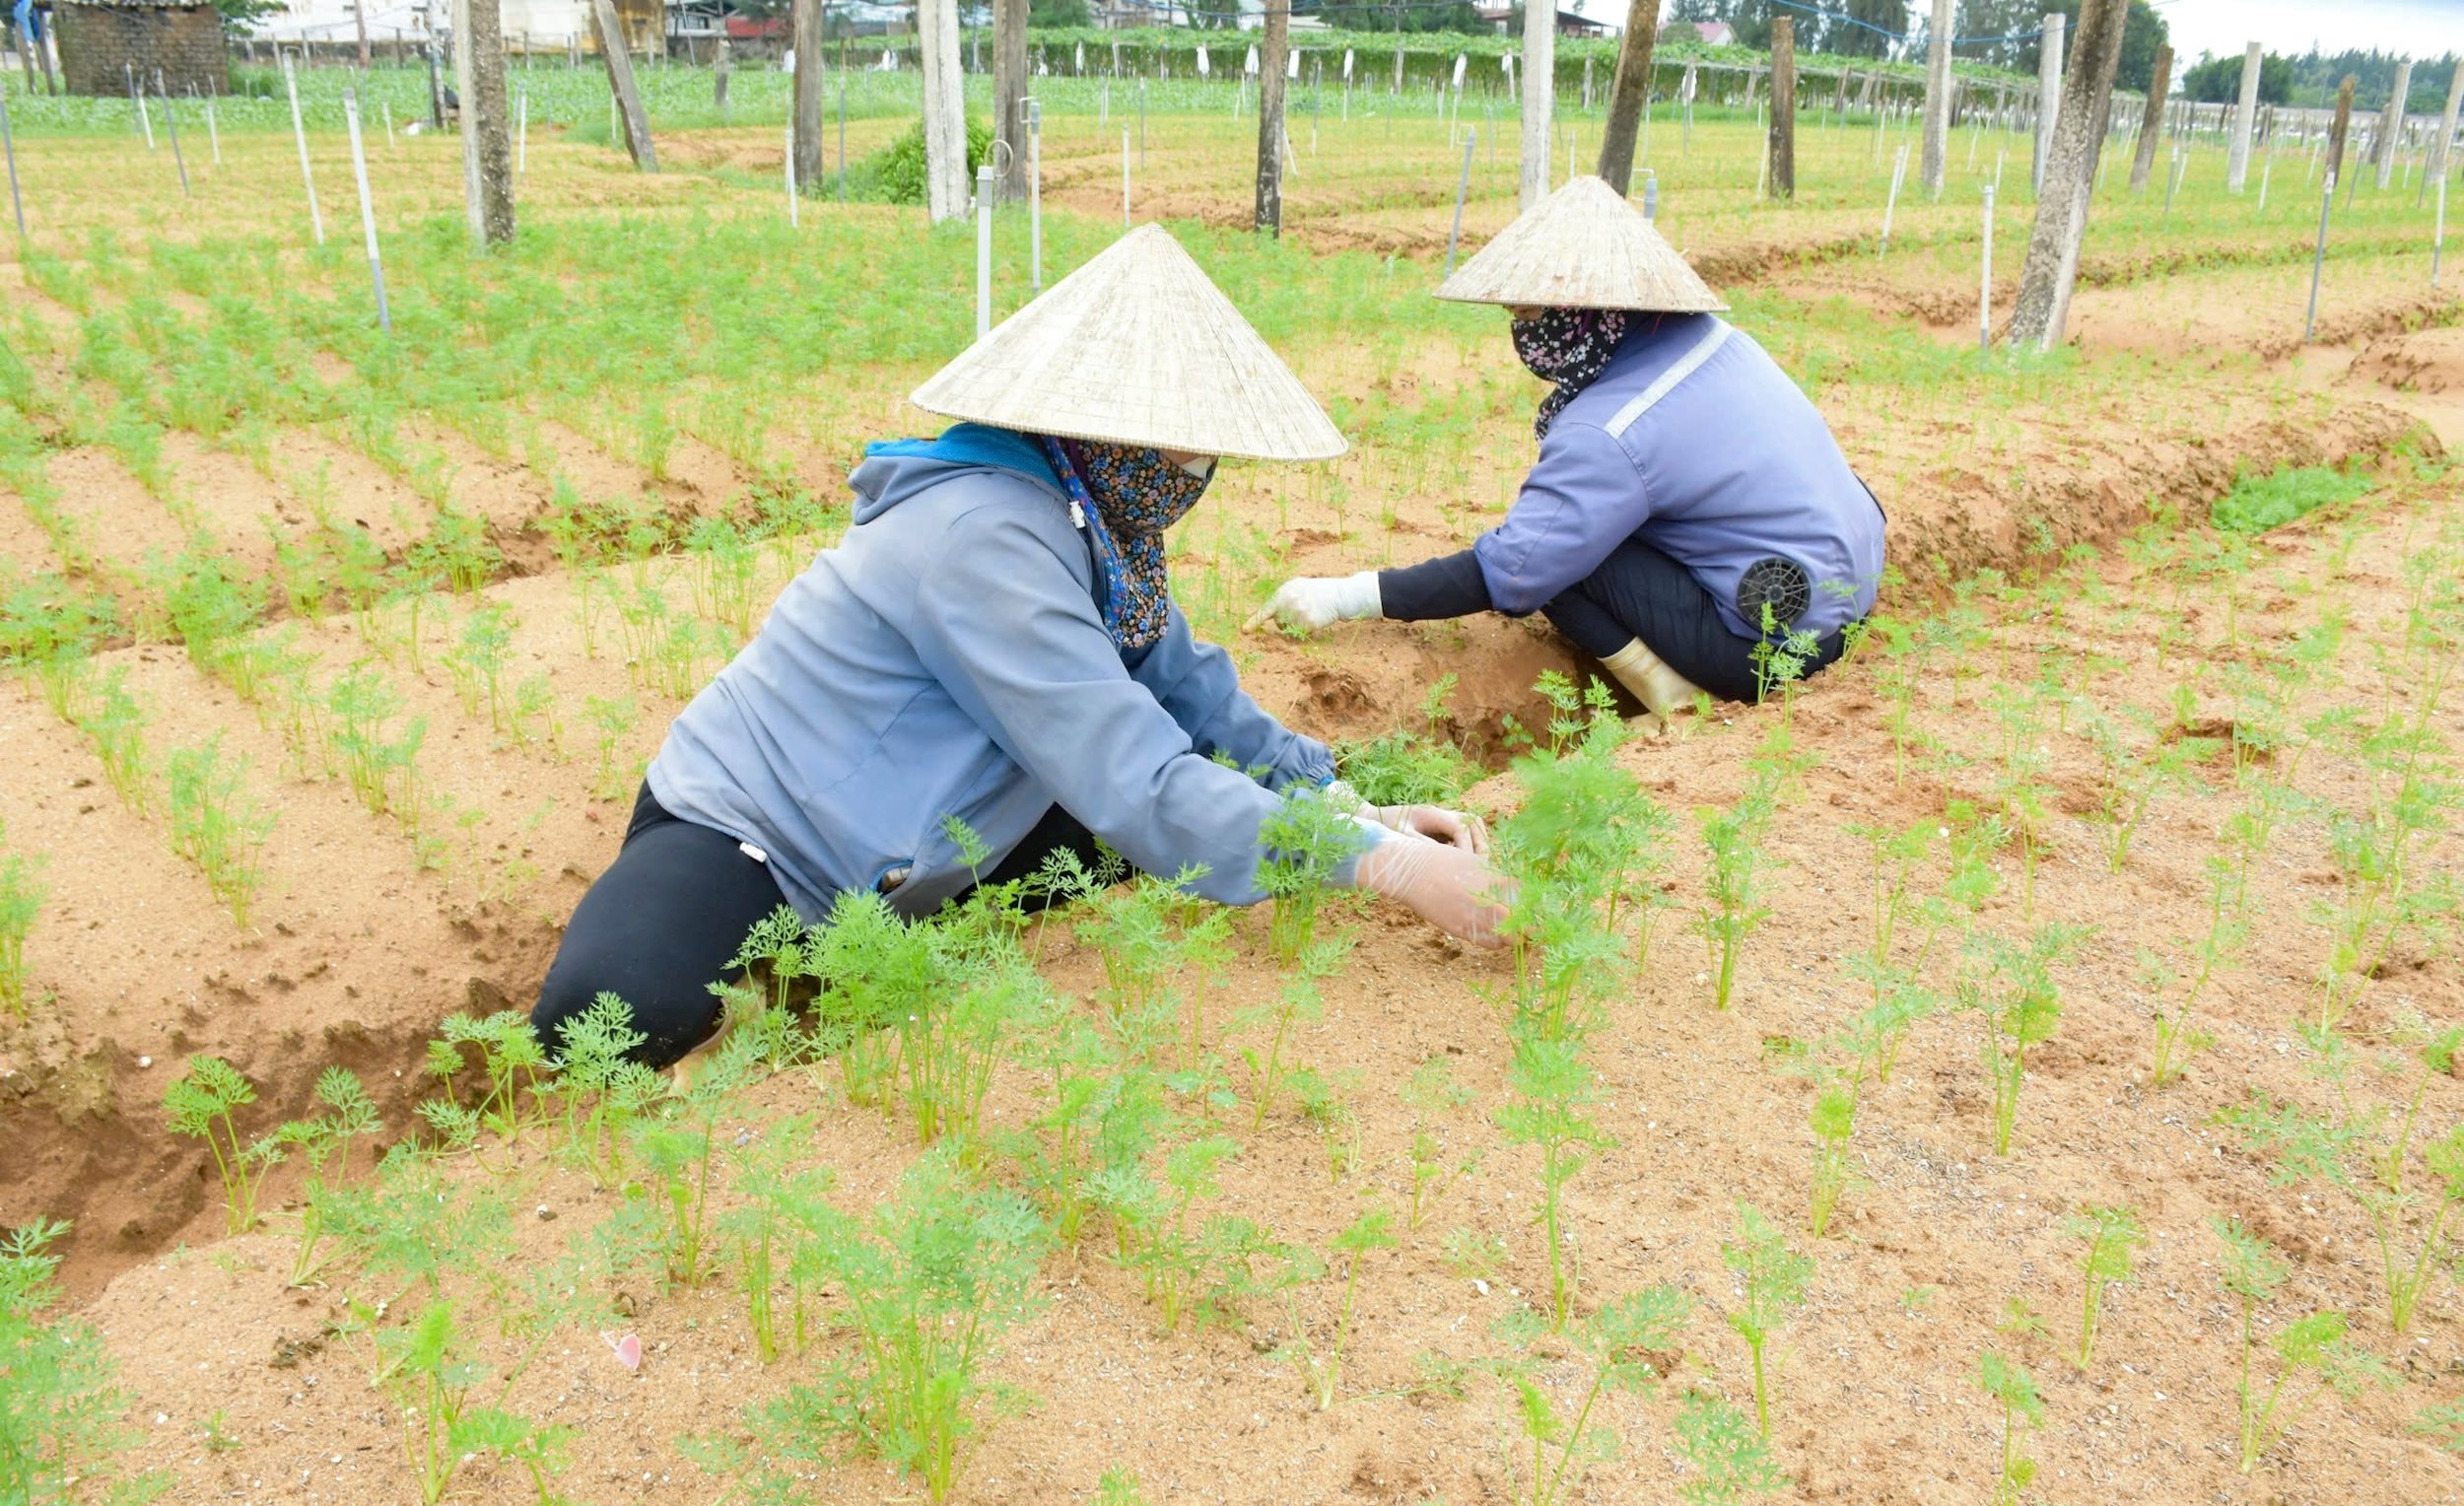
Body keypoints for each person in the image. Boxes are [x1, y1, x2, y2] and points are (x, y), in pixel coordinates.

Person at [530, 226, 1503, 1068]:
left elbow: (1191, 697)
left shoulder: (1092, 520)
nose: (1198, 471)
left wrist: (1348, 807)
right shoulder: (984, 534)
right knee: (604, 1023)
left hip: (940, 829)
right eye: (1186, 445)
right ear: (1111, 433)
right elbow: (1137, 776)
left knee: (1130, 849)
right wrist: (1384, 867)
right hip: (766, 828)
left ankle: (867, 949)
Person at [1245, 176, 1886, 717]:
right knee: (1587, 528)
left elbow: (1514, 570)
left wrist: (1340, 596)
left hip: (1771, 640)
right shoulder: (1716, 341)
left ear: (1578, 312)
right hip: (1849, 585)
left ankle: (1674, 698)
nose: (1520, 331)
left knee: (1558, 560)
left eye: (1527, 315)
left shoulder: (1609, 430)